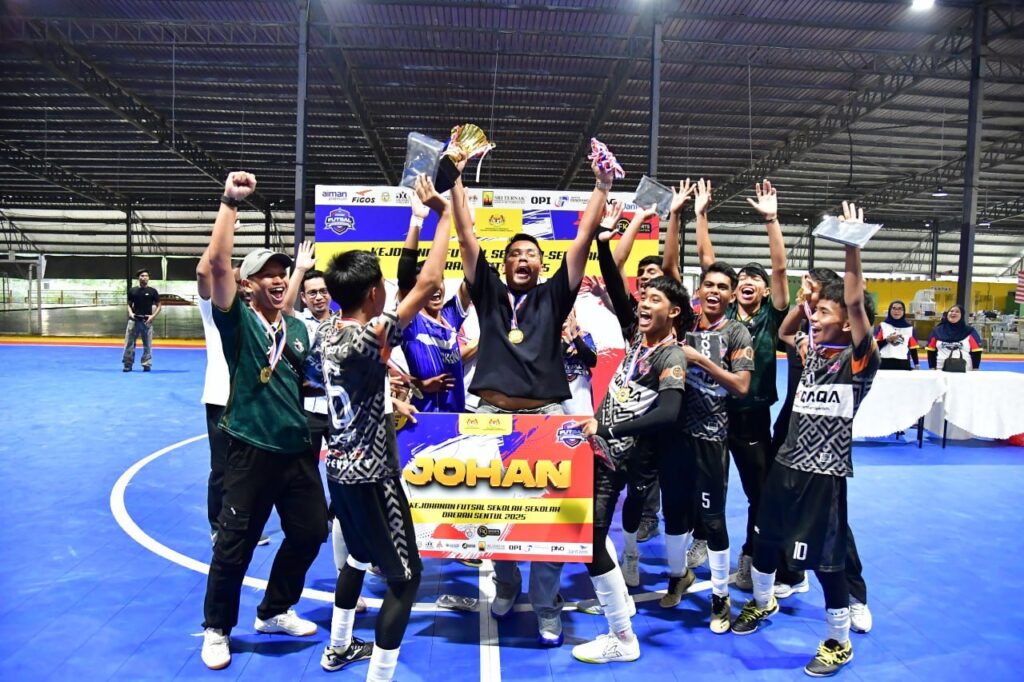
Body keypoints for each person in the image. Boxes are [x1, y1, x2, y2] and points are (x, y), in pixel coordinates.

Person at [451, 157, 611, 646]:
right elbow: (466, 235)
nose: (523, 259)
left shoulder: (554, 296)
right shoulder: (488, 292)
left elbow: (582, 240)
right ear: (504, 264)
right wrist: (455, 179)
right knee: (493, 515)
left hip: (546, 419)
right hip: (489, 417)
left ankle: (546, 606)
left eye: (532, 254)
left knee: (549, 519)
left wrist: (601, 185)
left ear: (542, 264)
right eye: (515, 254)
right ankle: (506, 586)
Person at [306, 174, 453, 679]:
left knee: (356, 558)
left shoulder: (325, 331)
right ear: (375, 292)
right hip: (374, 477)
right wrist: (443, 215)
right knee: (406, 578)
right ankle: (381, 675)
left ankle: (338, 647)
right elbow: (428, 283)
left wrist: (385, 393)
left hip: (339, 469)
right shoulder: (369, 335)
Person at [733, 201, 879, 678]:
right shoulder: (809, 350)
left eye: (824, 312)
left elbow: (854, 302)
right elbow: (785, 331)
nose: (815, 318)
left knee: (826, 561)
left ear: (848, 321)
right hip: (787, 463)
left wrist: (851, 246)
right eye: (816, 312)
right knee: (765, 540)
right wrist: (803, 305)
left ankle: (838, 640)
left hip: (824, 471)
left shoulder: (858, 360)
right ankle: (762, 603)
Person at [199, 172, 329, 671]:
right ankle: (217, 628)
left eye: (282, 272)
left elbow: (311, 380)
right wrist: (229, 204)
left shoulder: (297, 329)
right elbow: (216, 265)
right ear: (247, 284)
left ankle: (274, 610)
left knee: (311, 532)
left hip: (297, 452)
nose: (278, 279)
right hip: (250, 449)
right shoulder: (236, 321)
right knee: (235, 545)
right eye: (267, 274)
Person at [572, 275, 690, 664]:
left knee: (590, 542)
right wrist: (604, 247)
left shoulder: (671, 357)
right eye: (644, 297)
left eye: (655, 299)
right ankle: (621, 601)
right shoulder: (640, 338)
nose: (644, 304)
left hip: (619, 457)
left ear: (673, 312)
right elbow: (619, 291)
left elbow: (669, 412)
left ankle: (622, 637)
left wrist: (607, 428)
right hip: (602, 450)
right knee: (593, 533)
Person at [691, 179, 791, 592]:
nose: (748, 279)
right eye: (742, 277)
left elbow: (780, 268)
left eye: (755, 278)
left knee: (758, 492)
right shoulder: (724, 316)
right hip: (713, 414)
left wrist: (771, 221)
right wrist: (700, 215)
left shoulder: (772, 316)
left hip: (752, 419)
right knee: (708, 485)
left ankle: (751, 556)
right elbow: (707, 261)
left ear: (765, 291)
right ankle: (701, 537)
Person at [281, 242, 368, 612]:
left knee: (348, 488)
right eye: (311, 292)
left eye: (323, 291)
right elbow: (283, 310)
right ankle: (317, 519)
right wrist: (300, 269)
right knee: (306, 484)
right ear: (304, 296)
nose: (318, 297)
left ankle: (352, 561)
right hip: (308, 414)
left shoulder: (343, 323)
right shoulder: (299, 323)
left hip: (341, 415)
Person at [672, 261, 754, 634]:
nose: (714, 292)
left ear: (732, 295)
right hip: (676, 434)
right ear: (699, 290)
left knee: (713, 519)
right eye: (709, 285)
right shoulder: (685, 324)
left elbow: (741, 386)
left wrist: (702, 361)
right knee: (675, 514)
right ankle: (679, 575)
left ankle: (720, 596)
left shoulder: (736, 333)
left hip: (710, 436)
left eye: (722, 287)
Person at [197, 253, 270, 548]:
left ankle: (245, 524)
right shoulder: (213, 312)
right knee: (222, 468)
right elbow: (203, 272)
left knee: (252, 469)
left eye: (244, 281)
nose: (240, 286)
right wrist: (222, 235)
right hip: (221, 399)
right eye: (234, 280)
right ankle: (219, 526)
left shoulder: (260, 317)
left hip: (254, 402)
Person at [395, 189, 474, 414]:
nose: (436, 289)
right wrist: (417, 221)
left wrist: (469, 230)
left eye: (439, 283)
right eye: (429, 286)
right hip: (420, 416)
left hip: (456, 416)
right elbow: (404, 276)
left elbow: (473, 277)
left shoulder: (451, 316)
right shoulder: (411, 320)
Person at [561, 308, 598, 416]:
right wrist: (567, 340)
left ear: (574, 313)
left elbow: (592, 361)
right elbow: (549, 363)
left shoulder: (584, 336)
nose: (565, 314)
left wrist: (575, 336)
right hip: (557, 403)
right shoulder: (549, 337)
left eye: (569, 309)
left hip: (582, 402)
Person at [122, 268, 161, 371]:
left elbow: (159, 306)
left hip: (146, 321)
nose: (144, 278)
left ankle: (146, 364)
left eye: (146, 276)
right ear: (138, 278)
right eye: (142, 276)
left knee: (147, 344)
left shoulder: (152, 291)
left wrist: (152, 316)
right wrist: (131, 313)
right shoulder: (132, 290)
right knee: (129, 343)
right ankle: (127, 364)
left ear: (148, 278)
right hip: (134, 320)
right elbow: (129, 304)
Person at [927, 304, 983, 370]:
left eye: (957, 311)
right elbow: (931, 351)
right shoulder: (937, 331)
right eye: (951, 311)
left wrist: (975, 368)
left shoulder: (969, 331)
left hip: (964, 370)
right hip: (940, 370)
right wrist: (932, 367)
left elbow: (976, 352)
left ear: (962, 315)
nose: (953, 313)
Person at [875, 300, 920, 370]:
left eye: (900, 309)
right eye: (894, 308)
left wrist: (916, 364)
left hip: (903, 364)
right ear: (890, 310)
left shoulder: (910, 328)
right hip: (884, 363)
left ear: (903, 311)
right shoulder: (883, 326)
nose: (896, 311)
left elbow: (913, 349)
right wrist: (887, 340)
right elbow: (875, 347)